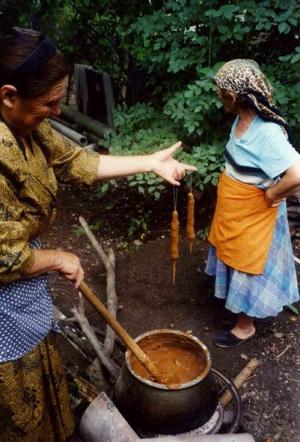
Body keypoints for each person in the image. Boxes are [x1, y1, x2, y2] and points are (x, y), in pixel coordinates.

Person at [0, 27, 196, 442]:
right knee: (13, 392)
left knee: (37, 363)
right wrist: (56, 257)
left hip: (22, 283)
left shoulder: (26, 125)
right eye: (49, 103)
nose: (56, 113)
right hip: (6, 289)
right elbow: (4, 255)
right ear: (8, 95)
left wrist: (149, 162)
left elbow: (77, 162)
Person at [205, 59, 300, 349]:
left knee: (248, 265)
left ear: (233, 97)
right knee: (233, 257)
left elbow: (297, 173)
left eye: (220, 92)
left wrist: (272, 194)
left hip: (256, 215)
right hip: (236, 210)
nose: (219, 97)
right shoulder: (241, 119)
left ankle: (245, 327)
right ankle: (236, 308)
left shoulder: (267, 132)